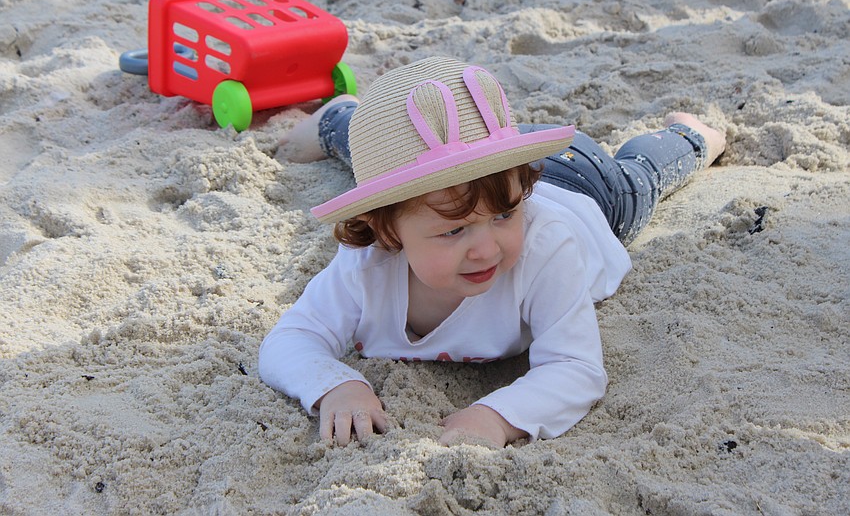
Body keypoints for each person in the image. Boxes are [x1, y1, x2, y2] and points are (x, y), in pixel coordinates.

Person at [258, 56, 726, 448]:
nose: (486, 249)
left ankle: (692, 137)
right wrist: (337, 385)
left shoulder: (547, 246)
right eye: (454, 230)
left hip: (578, 183)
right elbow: (289, 340)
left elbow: (575, 367)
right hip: (453, 151)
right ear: (388, 233)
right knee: (378, 158)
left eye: (503, 217)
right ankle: (342, 117)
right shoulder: (366, 265)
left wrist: (498, 417)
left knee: (637, 182)